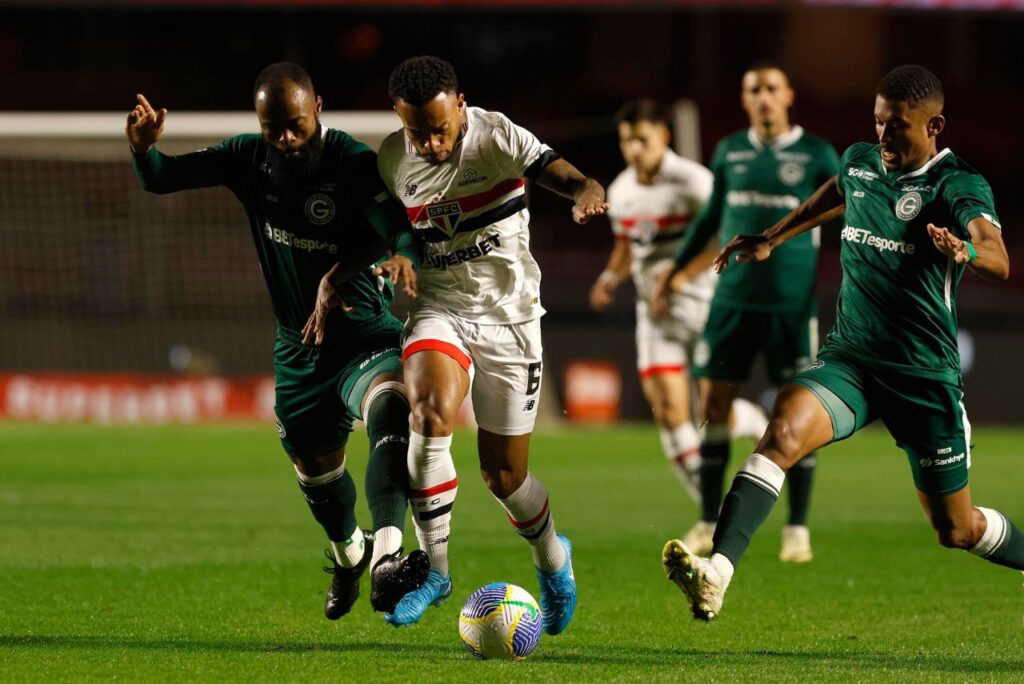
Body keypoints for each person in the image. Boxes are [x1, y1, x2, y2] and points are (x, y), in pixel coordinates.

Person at [663, 64, 1022, 622]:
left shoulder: (956, 184)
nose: (883, 137)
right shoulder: (860, 159)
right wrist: (773, 236)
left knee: (956, 528)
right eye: (878, 123)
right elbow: (838, 190)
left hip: (923, 378)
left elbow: (997, 254)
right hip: (852, 363)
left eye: (898, 127)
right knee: (781, 432)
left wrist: (966, 253)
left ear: (935, 126)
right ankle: (717, 572)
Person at [126, 62, 428, 620]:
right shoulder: (249, 158)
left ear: (318, 107)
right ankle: (351, 555)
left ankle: (389, 554)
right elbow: (162, 178)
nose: (286, 139)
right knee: (318, 478)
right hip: (298, 351)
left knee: (392, 410)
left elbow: (402, 231)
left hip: (364, 332)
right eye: (273, 128)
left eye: (295, 124)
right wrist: (144, 150)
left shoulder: (352, 163)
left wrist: (399, 258)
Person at [365, 54, 606, 633]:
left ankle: (553, 559)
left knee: (504, 477)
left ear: (460, 105)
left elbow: (575, 179)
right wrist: (395, 253)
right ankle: (437, 571)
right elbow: (393, 227)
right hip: (440, 308)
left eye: (439, 129)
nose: (428, 143)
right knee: (428, 412)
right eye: (415, 131)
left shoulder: (497, 137)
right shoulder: (393, 158)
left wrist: (586, 196)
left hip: (512, 320)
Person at [650, 63, 839, 562]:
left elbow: (848, 209)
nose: (763, 97)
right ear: (744, 98)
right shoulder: (729, 151)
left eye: (772, 88)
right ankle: (708, 519)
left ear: (789, 94)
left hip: (790, 307)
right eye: (753, 89)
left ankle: (797, 527)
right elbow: (711, 218)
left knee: (799, 413)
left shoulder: (817, 154)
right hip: (730, 302)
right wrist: (671, 276)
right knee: (712, 407)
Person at [591, 99, 768, 505]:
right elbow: (626, 248)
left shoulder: (694, 182)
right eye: (625, 141)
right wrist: (609, 277)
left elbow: (727, 239)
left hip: (704, 306)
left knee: (710, 416)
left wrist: (678, 277)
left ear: (663, 137)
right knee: (670, 413)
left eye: (641, 139)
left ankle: (753, 419)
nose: (634, 150)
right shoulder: (621, 190)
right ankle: (712, 510)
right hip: (655, 315)